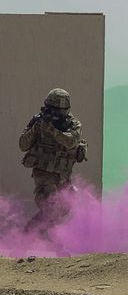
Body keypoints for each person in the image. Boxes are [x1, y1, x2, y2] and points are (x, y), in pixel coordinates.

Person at [19, 88, 87, 232]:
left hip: (63, 175)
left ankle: (30, 236)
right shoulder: (38, 121)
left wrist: (53, 131)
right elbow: (23, 145)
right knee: (51, 207)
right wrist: (36, 129)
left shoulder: (73, 124)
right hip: (44, 174)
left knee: (66, 208)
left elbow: (70, 142)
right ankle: (34, 240)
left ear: (66, 110)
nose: (55, 113)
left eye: (59, 110)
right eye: (52, 109)